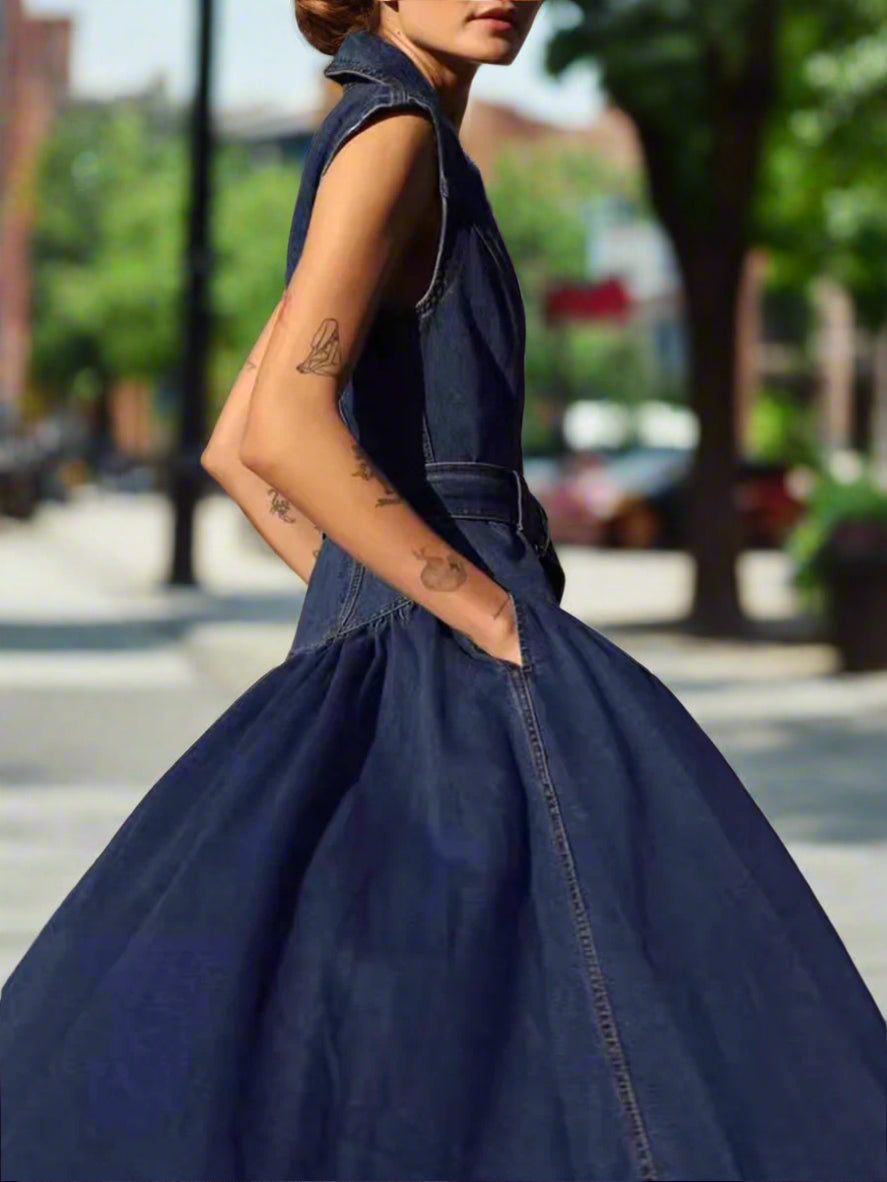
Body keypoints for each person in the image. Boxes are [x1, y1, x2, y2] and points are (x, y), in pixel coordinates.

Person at [1, 2, 885, 1179]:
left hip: (404, 647)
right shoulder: (396, 134)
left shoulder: (393, 132)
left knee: (417, 1041)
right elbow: (279, 426)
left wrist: (362, 603)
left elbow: (232, 444)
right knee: (604, 1022)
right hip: (472, 642)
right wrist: (477, 613)